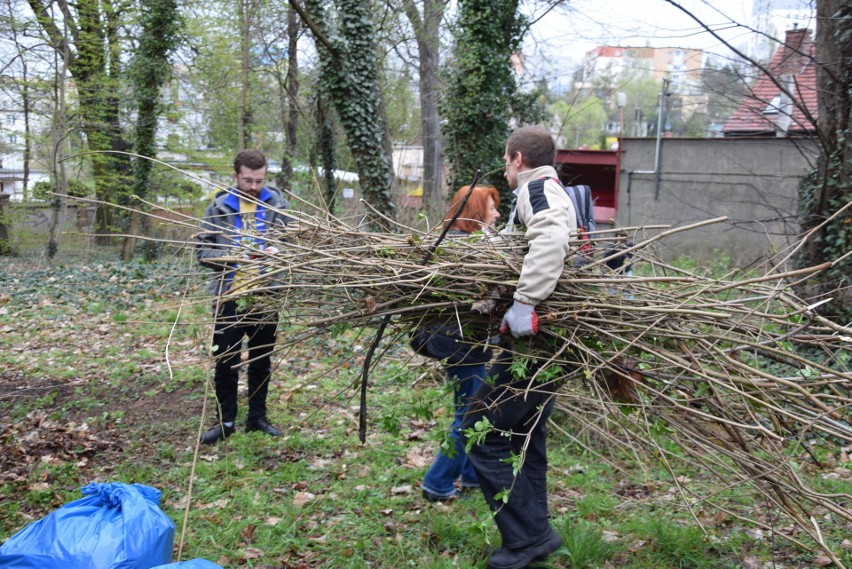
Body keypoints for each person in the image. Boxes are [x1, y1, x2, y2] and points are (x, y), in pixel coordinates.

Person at [461, 126, 575, 569]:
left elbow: (549, 241)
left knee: (483, 432)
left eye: (506, 160)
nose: (506, 167)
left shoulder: (538, 190)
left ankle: (529, 538)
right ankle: (533, 530)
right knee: (524, 437)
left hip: (534, 345)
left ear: (517, 159)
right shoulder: (547, 189)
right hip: (550, 345)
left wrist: (525, 302)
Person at [195, 149, 289, 445]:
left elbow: (294, 245)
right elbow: (202, 252)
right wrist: (231, 257)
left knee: (261, 359)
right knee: (225, 360)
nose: (253, 187)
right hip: (230, 297)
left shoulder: (277, 204)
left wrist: (279, 254)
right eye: (247, 180)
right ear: (235, 175)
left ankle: (257, 418)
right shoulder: (219, 207)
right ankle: (226, 422)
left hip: (265, 295)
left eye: (259, 180)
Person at [415, 185, 501, 503]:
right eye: (491, 209)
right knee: (470, 414)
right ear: (476, 213)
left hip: (464, 343)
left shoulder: (456, 244)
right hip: (460, 343)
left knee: (469, 407)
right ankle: (437, 483)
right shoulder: (468, 253)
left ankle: (471, 476)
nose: (497, 214)